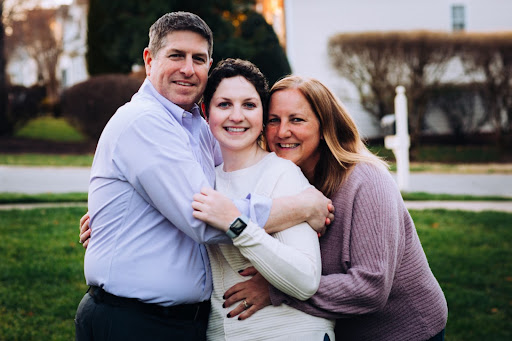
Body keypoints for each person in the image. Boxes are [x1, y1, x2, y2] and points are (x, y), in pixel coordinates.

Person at [75, 12, 333, 341]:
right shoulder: (145, 122)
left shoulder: (197, 125)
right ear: (149, 59)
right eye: (176, 55)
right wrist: (301, 208)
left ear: (208, 65)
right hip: (134, 320)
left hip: (184, 322)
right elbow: (204, 220)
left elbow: (228, 175)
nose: (188, 68)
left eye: (198, 58)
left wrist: (118, 215)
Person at [219, 76, 448, 341]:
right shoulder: (287, 182)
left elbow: (370, 288)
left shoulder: (366, 181)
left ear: (324, 126)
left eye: (297, 120)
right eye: (274, 120)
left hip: (405, 331)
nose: (282, 132)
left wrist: (277, 289)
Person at [191, 58, 335, 340]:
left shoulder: (282, 174)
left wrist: (237, 225)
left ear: (261, 114)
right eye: (224, 104)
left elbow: (306, 279)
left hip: (291, 332)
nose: (237, 116)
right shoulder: (203, 178)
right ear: (206, 112)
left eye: (249, 104)